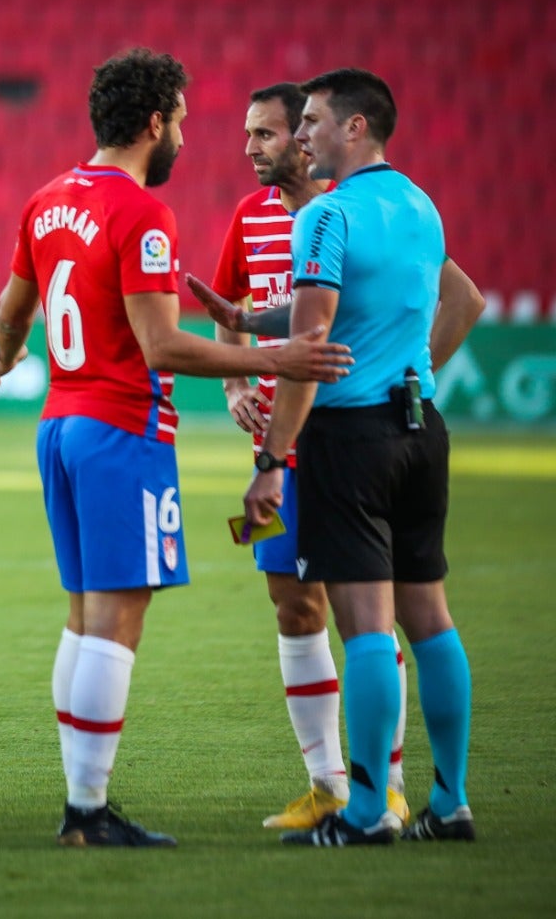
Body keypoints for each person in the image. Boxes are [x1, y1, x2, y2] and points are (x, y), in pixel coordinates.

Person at [0, 48, 353, 847]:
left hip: (61, 423)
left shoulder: (48, 199)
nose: (189, 137)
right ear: (154, 123)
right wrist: (270, 358)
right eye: (182, 120)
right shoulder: (142, 212)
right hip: (122, 430)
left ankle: (85, 803)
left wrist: (6, 356)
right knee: (117, 621)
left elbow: (13, 309)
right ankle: (86, 811)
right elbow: (162, 347)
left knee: (85, 618)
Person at [243, 69, 479, 847]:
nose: (301, 135)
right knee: (433, 622)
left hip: (350, 440)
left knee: (369, 628)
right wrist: (247, 314)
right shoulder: (421, 206)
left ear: (356, 129)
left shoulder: (325, 215)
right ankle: (449, 802)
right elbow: (393, 302)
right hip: (421, 429)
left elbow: (311, 348)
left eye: (311, 121)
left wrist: (273, 458)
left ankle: (370, 809)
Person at [204, 83, 412, 831]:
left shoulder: (354, 211)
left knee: (367, 613)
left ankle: (382, 786)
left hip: (349, 441)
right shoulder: (249, 216)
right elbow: (226, 311)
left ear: (305, 138)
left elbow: (457, 298)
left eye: (263, 134)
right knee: (291, 603)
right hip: (276, 446)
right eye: (248, 133)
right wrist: (234, 386)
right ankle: (326, 785)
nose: (248, 147)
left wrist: (403, 384)